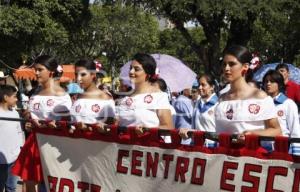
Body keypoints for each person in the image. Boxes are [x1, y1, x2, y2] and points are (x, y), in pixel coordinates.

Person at [180, 45, 281, 143]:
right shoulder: (222, 99)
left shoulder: (260, 97)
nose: (226, 68)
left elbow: (276, 130)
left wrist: (254, 134)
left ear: (245, 67)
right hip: (223, 156)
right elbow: (217, 133)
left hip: (251, 156)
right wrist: (194, 133)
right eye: (224, 64)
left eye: (232, 64)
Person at [12, 55, 72, 192]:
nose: (36, 73)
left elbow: (66, 125)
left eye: (40, 69)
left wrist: (51, 126)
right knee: (28, 182)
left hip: (53, 145)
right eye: (35, 70)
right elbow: (31, 116)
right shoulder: (36, 93)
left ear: (51, 72)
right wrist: (27, 122)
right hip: (33, 142)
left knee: (49, 183)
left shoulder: (62, 95)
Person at [116, 53, 173, 138]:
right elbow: (116, 124)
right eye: (131, 68)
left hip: (147, 148)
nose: (131, 72)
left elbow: (168, 127)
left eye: (136, 69)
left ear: (148, 73)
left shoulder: (159, 96)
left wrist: (148, 130)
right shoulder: (125, 97)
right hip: (123, 147)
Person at [71, 59, 115, 131]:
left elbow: (110, 129)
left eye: (83, 74)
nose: (78, 79)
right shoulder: (77, 97)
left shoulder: (105, 98)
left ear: (93, 75)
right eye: (76, 74)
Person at [263, 70, 300, 153]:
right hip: (262, 150)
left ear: (279, 84)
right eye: (266, 81)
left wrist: (296, 154)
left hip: (282, 150)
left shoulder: (288, 104)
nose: (268, 84)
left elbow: (295, 130)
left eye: (272, 81)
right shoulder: (260, 104)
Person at [0, 85, 24, 192]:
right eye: (14, 96)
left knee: (11, 187)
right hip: (1, 160)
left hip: (14, 158)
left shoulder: (15, 113)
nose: (16, 99)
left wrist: (21, 149)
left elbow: (19, 131)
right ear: (6, 97)